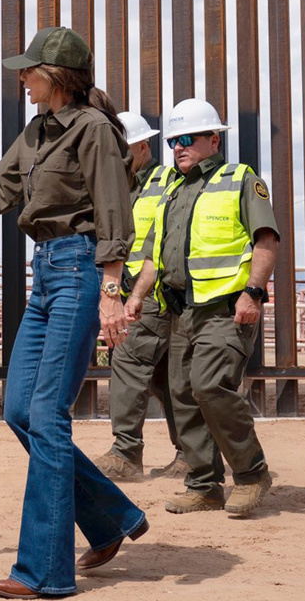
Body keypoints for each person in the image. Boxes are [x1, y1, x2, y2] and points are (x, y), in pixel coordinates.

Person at [0, 27, 148, 599]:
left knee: (47, 416)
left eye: (29, 70)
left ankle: (45, 572)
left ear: (57, 76)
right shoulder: (38, 130)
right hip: (47, 274)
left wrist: (112, 292)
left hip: (82, 271)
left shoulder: (92, 130)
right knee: (19, 409)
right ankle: (113, 516)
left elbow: (114, 213)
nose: (21, 78)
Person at [125, 98, 279, 516]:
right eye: (174, 140)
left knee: (210, 385)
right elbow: (155, 256)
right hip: (181, 311)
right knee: (181, 395)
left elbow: (266, 240)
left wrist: (254, 293)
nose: (178, 147)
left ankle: (251, 473)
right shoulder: (172, 189)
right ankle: (204, 485)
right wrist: (137, 296)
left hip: (225, 309)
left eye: (188, 139)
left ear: (214, 139)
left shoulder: (240, 179)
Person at [93, 111, 186, 482]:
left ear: (143, 147)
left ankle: (126, 453)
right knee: (166, 378)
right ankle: (191, 455)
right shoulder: (117, 188)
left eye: (123, 150)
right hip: (129, 295)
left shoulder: (167, 181)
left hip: (154, 295)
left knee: (128, 365)